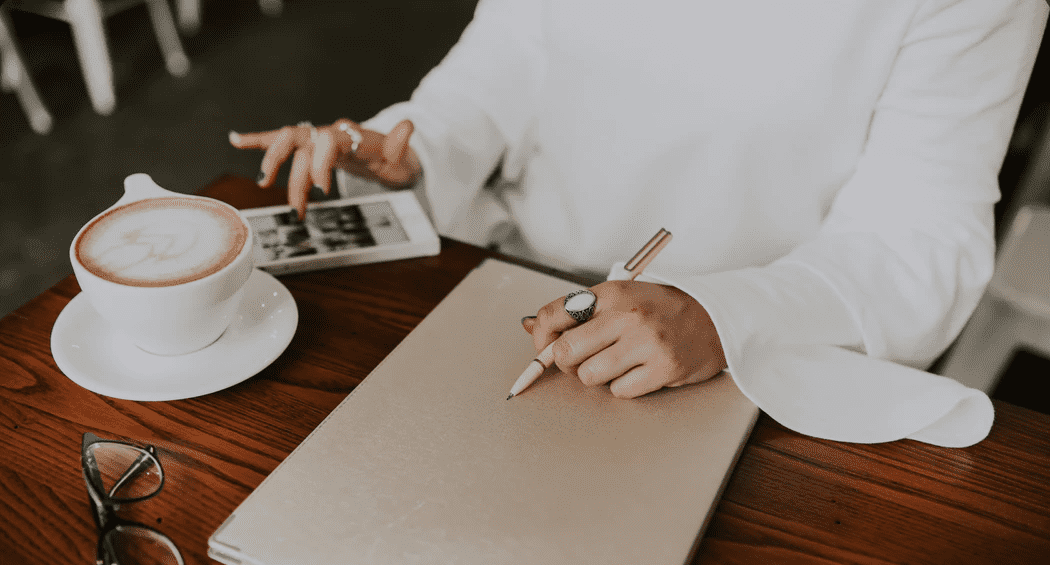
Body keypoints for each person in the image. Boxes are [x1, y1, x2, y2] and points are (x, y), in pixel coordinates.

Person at [231, 0, 1047, 446]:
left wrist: (724, 317)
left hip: (751, 373)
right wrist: (415, 149)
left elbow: (921, 237)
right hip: (512, 298)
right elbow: (498, 71)